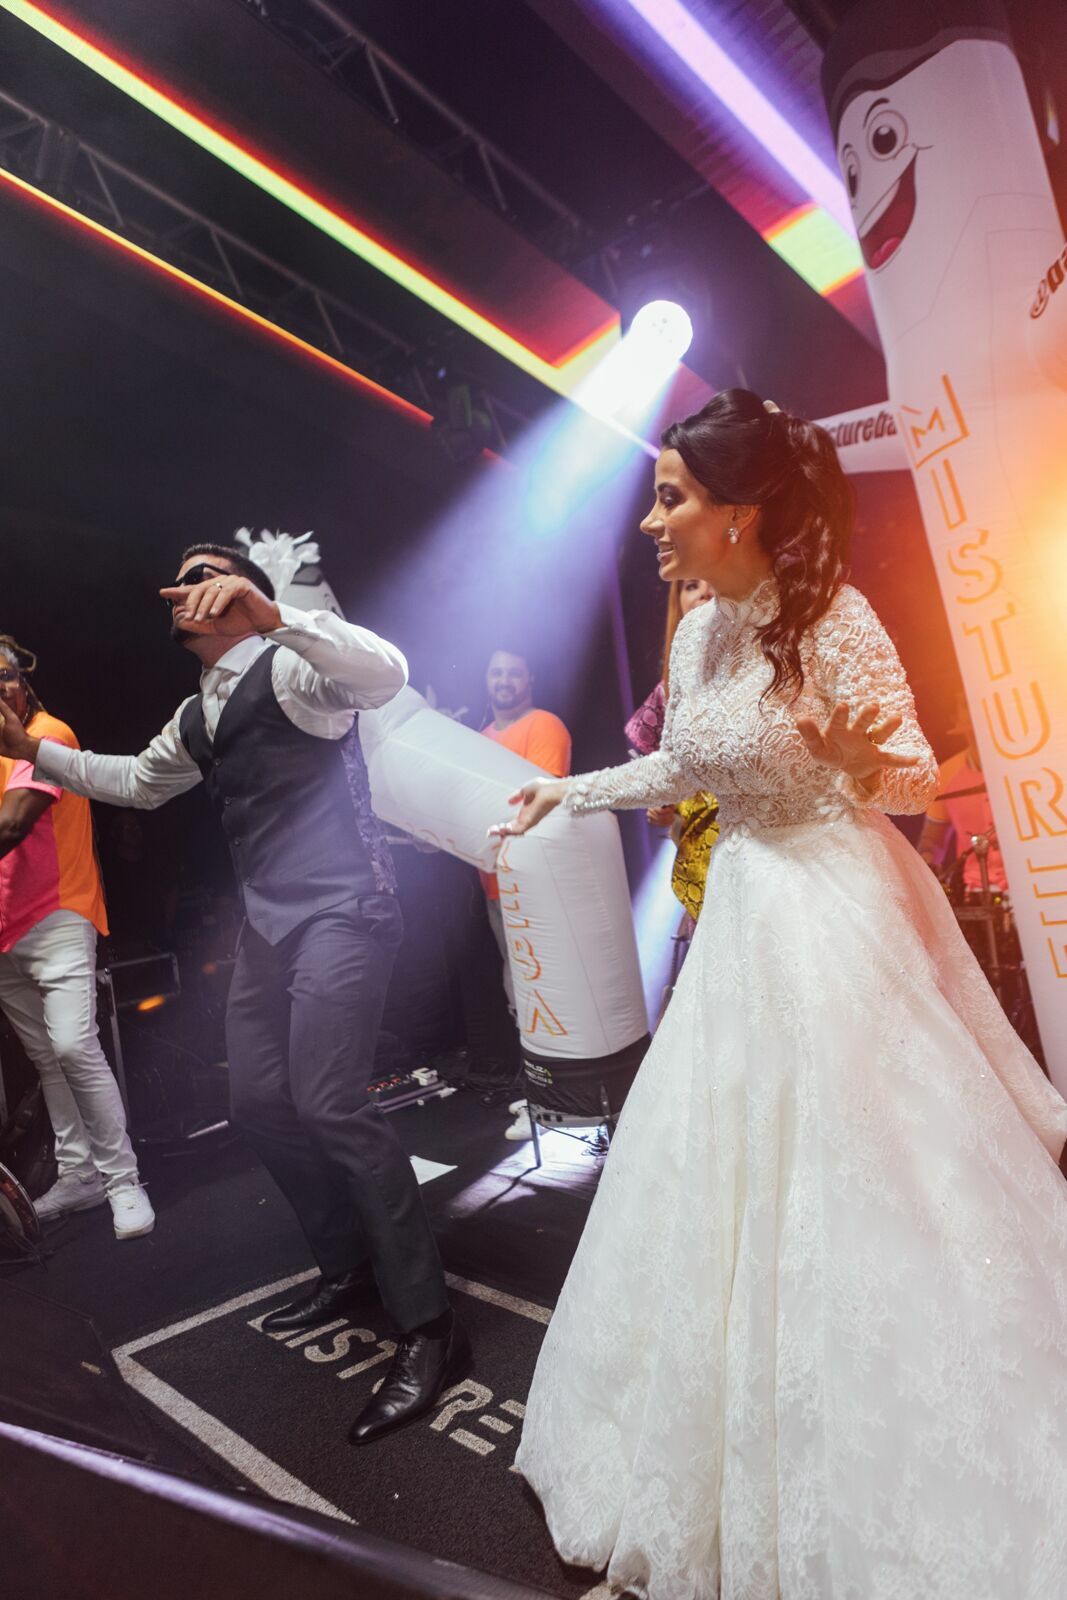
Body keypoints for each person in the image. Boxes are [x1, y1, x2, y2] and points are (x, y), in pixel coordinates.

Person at [493, 391, 1067, 1598]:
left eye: (670, 499)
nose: (652, 523)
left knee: (863, 1164)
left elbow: (906, 764)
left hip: (833, 901)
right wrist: (574, 791)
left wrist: (862, 757)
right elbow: (684, 759)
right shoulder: (698, 633)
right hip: (743, 909)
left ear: (735, 512)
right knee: (719, 1169)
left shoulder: (833, 619)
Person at [0, 547, 468, 1445]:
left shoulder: (296, 665)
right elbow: (138, 783)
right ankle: (347, 1267)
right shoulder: (196, 711)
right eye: (182, 574)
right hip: (270, 925)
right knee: (256, 1102)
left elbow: (387, 673)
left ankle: (430, 1330)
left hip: (345, 907)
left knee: (331, 1103)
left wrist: (274, 612)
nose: (189, 582)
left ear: (241, 588)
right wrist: (35, 756)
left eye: (209, 569)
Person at [0, 636, 153, 1239]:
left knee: (71, 1045)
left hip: (58, 914)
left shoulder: (48, 736)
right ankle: (79, 1174)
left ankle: (123, 1180)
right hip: (4, 930)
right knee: (45, 1057)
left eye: (5, 675)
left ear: (24, 683)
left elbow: (14, 823)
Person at [477, 647, 570, 1141]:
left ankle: (556, 1100)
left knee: (545, 990)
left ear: (529, 677)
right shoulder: (480, 737)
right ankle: (539, 1094)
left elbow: (540, 801)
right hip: (495, 885)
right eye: (497, 672)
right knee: (520, 993)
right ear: (486, 680)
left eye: (514, 671)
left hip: (533, 883)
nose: (505, 680)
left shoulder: (544, 726)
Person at [625, 577, 719, 923]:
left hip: (758, 844)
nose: (704, 593)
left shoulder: (756, 669)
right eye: (691, 585)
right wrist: (663, 807)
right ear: (676, 601)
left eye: (713, 582)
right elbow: (658, 776)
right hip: (700, 858)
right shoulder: (667, 691)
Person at [917, 692, 1006, 892]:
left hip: (1037, 885)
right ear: (955, 717)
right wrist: (927, 859)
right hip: (975, 892)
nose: (974, 708)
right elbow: (933, 839)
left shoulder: (1028, 766)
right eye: (966, 704)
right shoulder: (945, 774)